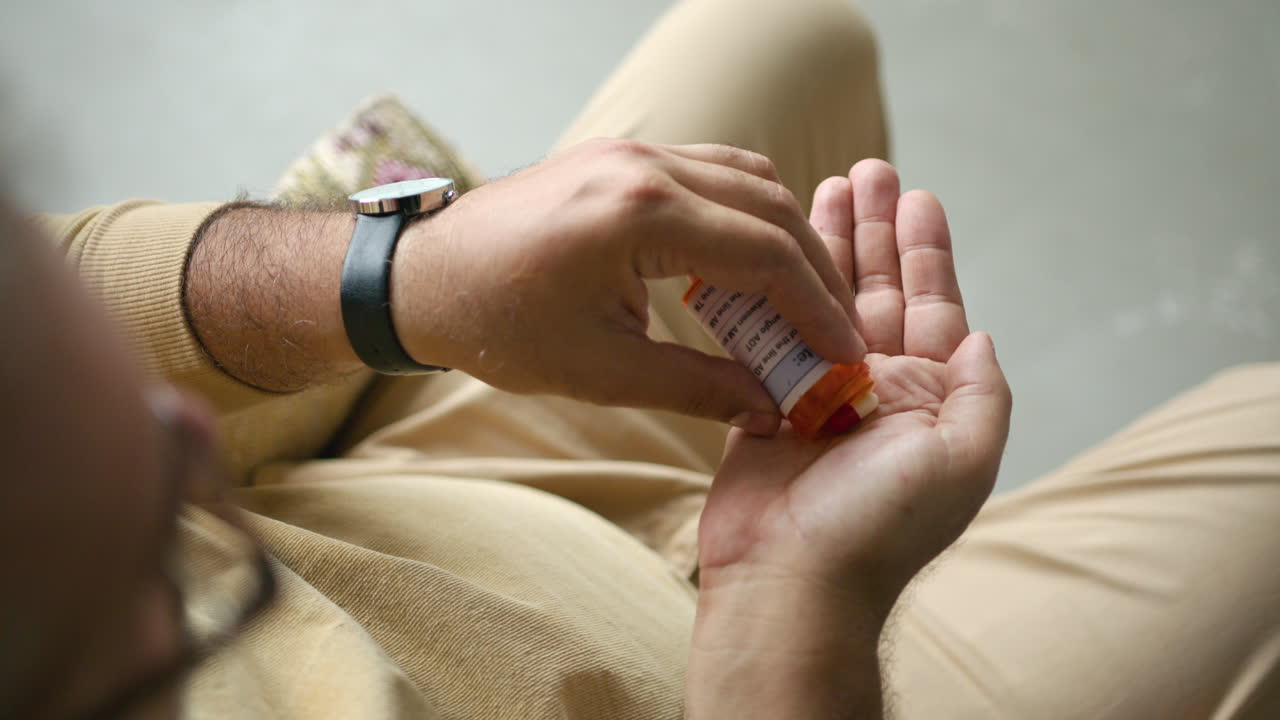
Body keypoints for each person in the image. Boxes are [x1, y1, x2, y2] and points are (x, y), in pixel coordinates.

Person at [3, 0, 1277, 718]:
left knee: (783, 32)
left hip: (439, 491)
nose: (184, 447)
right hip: (730, 671)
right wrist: (790, 607)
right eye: (155, 574)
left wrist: (397, 279)